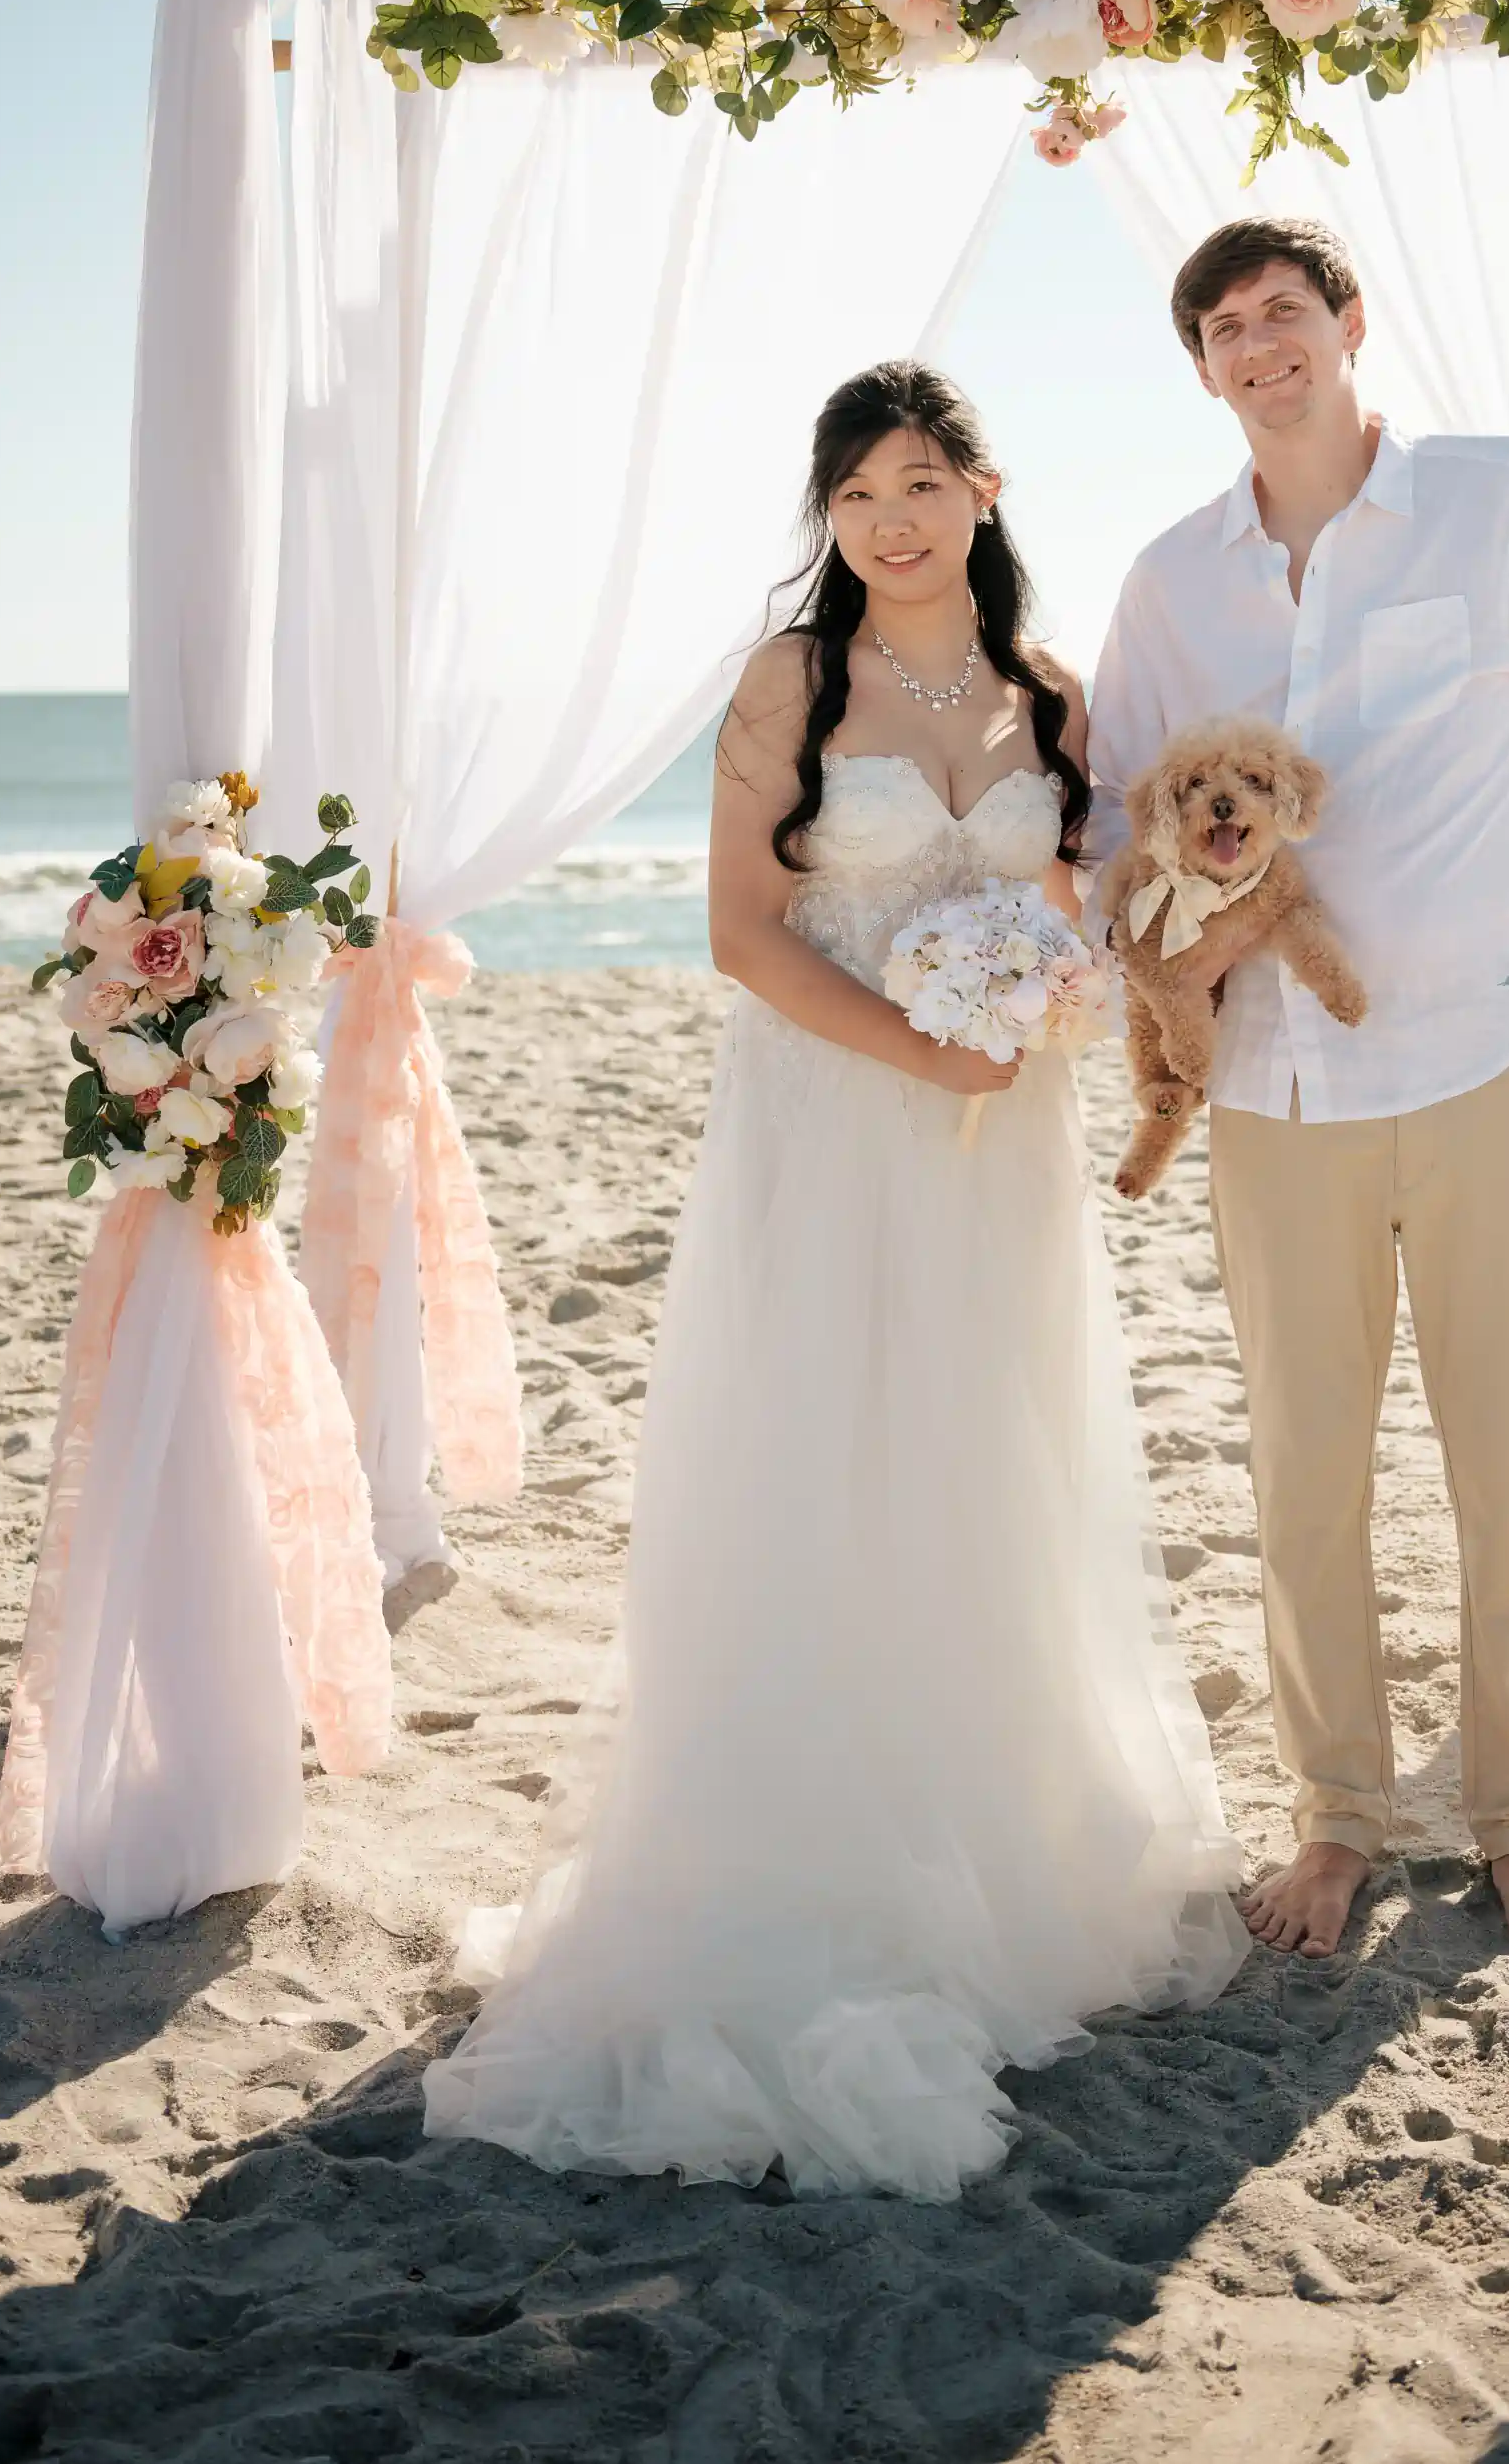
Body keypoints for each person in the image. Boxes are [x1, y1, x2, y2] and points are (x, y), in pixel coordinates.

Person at [423, 363, 1243, 2199]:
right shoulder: (788, 681)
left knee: (985, 1453)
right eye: (861, 487)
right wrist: (915, 1039)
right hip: (833, 1125)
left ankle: (991, 1829)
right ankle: (817, 1849)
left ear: (984, 489)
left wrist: (1061, 997)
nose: (895, 516)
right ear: (831, 510)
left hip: (1000, 1155)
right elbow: (739, 930)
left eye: (926, 480)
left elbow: (1086, 908)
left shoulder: (1054, 696)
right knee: (822, 1456)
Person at [1087, 220, 1509, 1970]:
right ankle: (1336, 1816)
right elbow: (1120, 814)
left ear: (1349, 326)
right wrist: (1186, 959)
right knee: (1303, 1472)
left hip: (1483, 1061)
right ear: (1202, 370)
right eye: (1226, 329)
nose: (1261, 347)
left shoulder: (1501, 501)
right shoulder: (1172, 582)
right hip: (1273, 1091)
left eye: (1284, 313)